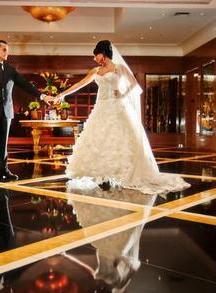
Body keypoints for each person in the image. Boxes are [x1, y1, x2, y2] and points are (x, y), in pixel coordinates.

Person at [53, 40, 189, 194]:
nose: (94, 58)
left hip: (117, 107)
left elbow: (134, 85)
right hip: (101, 108)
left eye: (95, 55)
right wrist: (61, 95)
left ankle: (122, 172)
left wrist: (123, 94)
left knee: (120, 139)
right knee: (99, 140)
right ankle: (102, 172)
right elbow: (79, 84)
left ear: (103, 54)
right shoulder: (95, 71)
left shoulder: (120, 68)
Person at [0, 40, 53, 182]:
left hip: (7, 111)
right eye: (4, 49)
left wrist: (42, 95)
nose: (7, 52)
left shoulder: (10, 70)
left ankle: (4, 172)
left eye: (7, 50)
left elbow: (25, 85)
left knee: (3, 143)